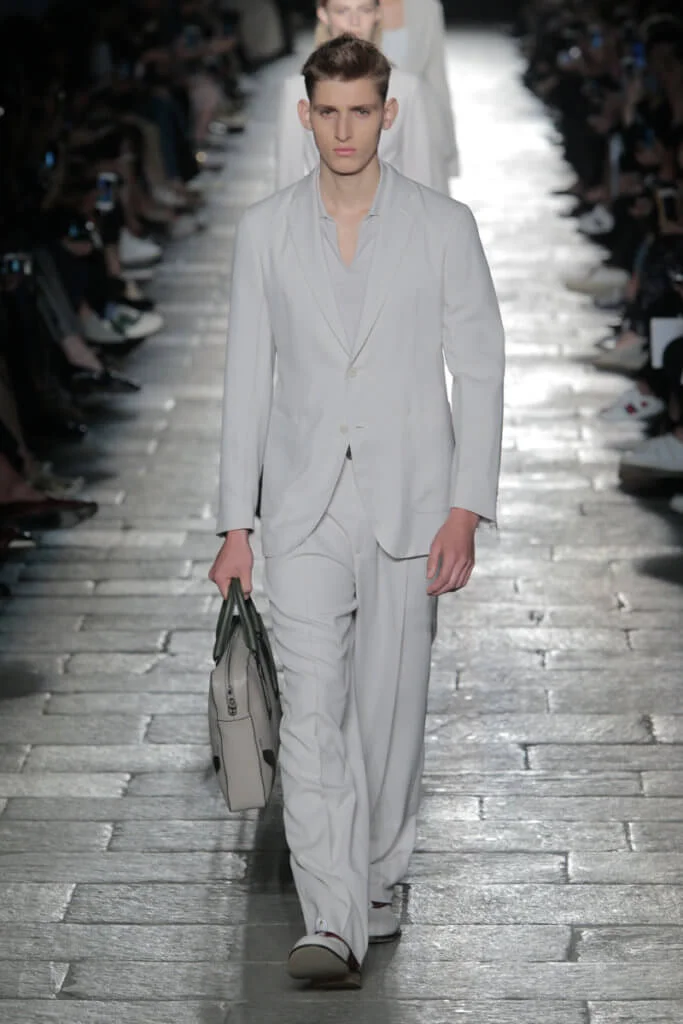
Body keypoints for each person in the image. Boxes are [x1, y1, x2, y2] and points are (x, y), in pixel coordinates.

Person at [209, 34, 504, 989]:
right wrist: (235, 524)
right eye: (327, 112)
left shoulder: (442, 226)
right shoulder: (264, 231)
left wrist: (466, 507)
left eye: (360, 111)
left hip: (410, 499)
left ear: (388, 113)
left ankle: (377, 879)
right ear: (305, 115)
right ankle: (331, 919)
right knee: (311, 714)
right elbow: (245, 380)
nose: (344, 130)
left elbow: (481, 369)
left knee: (388, 711)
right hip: (300, 504)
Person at [276, 0, 441, 192]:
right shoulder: (297, 90)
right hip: (319, 207)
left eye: (365, 10)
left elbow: (421, 178)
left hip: (392, 208)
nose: (354, 21)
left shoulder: (407, 89)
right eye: (342, 11)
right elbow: (287, 181)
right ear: (323, 14)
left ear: (378, 14)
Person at [378, 0, 460, 178]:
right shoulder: (350, 7)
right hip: (371, 133)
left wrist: (449, 152)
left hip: (420, 127)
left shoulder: (426, 7)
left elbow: (437, 76)